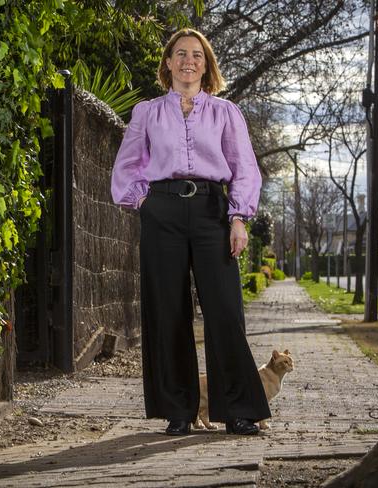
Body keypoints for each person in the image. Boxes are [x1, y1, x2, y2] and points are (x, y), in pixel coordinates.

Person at [110, 28, 271, 436]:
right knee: (167, 308)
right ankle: (177, 410)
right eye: (180, 54)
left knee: (224, 309)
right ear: (167, 63)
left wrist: (239, 219)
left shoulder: (225, 112)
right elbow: (126, 168)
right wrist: (144, 202)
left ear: (207, 64)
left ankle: (237, 409)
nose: (188, 61)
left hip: (212, 211)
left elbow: (244, 168)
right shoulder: (147, 112)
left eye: (197, 55)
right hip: (161, 209)